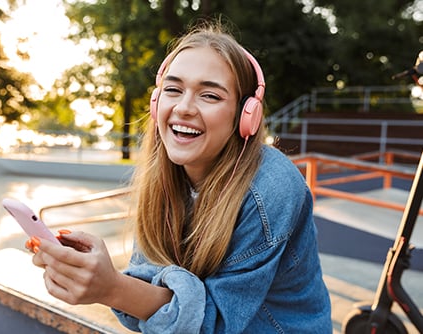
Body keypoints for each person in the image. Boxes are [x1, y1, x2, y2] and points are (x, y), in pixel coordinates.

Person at [28, 19, 332, 333]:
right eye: (173, 90)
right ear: (156, 102)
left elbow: (214, 325)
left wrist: (113, 289)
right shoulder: (164, 176)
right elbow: (151, 296)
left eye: (210, 96)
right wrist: (98, 277)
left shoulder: (271, 188)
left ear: (246, 116)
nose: (184, 107)